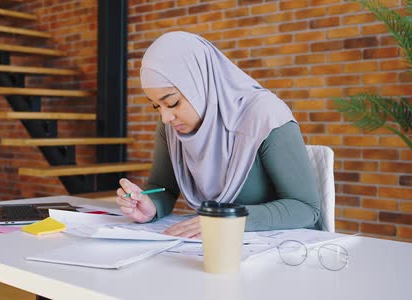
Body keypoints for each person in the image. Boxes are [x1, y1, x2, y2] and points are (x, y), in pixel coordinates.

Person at [116, 31, 320, 239]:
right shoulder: (170, 126)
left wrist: (227, 219)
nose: (166, 117)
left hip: (286, 252)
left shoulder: (265, 115)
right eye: (156, 106)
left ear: (200, 83)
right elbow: (163, 188)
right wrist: (151, 206)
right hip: (214, 248)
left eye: (173, 103)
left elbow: (305, 208)